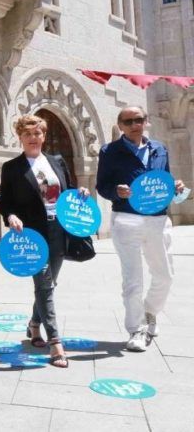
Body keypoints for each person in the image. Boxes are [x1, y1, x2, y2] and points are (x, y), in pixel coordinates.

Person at [0, 114, 89, 369]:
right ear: (20, 137)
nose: (33, 138)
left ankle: (34, 325)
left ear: (43, 135)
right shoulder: (12, 167)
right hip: (32, 234)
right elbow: (6, 202)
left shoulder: (56, 161)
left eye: (37, 133)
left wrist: (80, 193)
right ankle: (55, 342)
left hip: (58, 229)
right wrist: (11, 216)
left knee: (50, 282)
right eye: (27, 134)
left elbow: (68, 190)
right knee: (45, 285)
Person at [96, 106, 187, 352]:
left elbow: (164, 179)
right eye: (129, 121)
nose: (135, 124)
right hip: (126, 218)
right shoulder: (110, 151)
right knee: (133, 279)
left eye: (139, 120)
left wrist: (175, 185)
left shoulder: (159, 148)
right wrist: (116, 190)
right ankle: (136, 329)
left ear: (146, 122)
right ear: (121, 126)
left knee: (165, 275)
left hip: (157, 219)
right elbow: (102, 186)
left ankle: (150, 312)